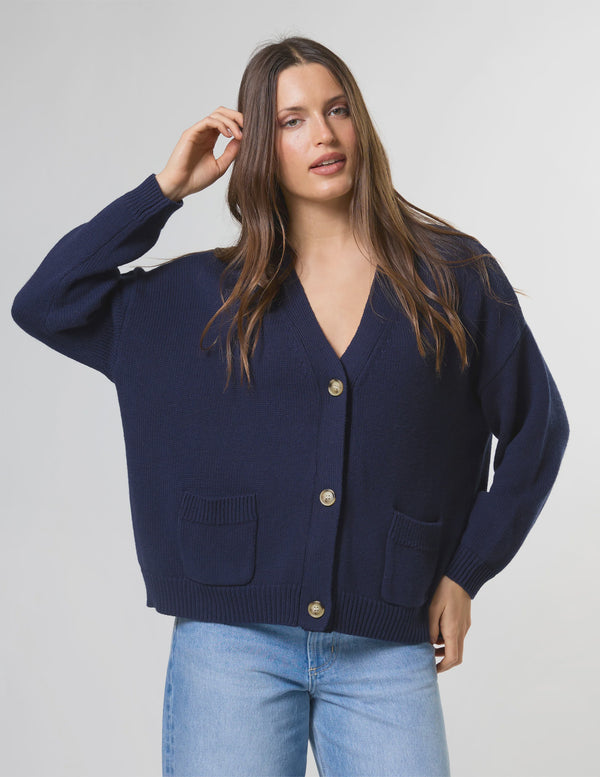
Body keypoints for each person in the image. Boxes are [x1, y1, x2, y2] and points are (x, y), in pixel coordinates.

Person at [10, 35, 569, 777]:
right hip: (231, 649)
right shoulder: (200, 298)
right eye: (292, 121)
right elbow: (47, 302)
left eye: (338, 110)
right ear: (257, 148)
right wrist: (165, 189)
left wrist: (466, 572)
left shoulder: (452, 278)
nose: (325, 134)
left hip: (386, 647)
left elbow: (538, 430)